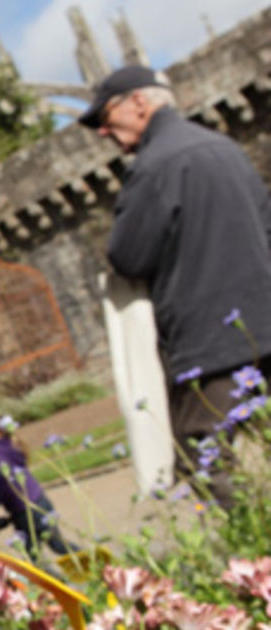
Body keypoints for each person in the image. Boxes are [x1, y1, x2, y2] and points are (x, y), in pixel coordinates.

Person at [79, 65, 271, 508]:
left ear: (139, 104)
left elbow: (128, 257)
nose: (104, 131)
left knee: (205, 458)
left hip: (209, 347)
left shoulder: (154, 165)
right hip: (261, 324)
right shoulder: (223, 147)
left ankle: (256, 560)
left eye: (107, 118)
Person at [0, 408, 75, 558]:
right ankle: (100, 566)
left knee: (39, 558)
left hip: (26, 513)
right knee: (54, 547)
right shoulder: (6, 443)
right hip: (39, 502)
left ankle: (99, 566)